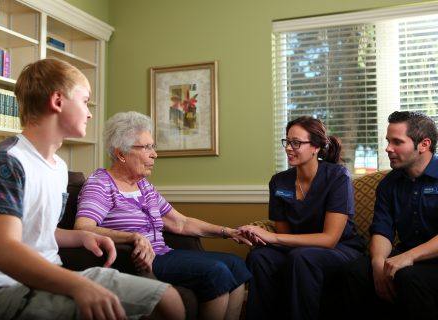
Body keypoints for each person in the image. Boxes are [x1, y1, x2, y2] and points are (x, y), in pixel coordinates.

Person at [0, 59, 184, 320]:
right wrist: (79, 285)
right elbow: (4, 251)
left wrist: (81, 237)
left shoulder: (57, 167)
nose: (89, 113)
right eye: (85, 101)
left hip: (49, 275)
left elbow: (36, 229)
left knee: (168, 299)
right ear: (58, 101)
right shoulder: (4, 162)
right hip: (0, 290)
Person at [74, 111, 252, 320]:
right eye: (147, 147)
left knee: (236, 265)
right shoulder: (101, 183)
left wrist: (227, 232)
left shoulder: (144, 186)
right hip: (136, 260)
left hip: (163, 253)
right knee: (216, 271)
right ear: (121, 153)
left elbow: (180, 222)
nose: (154, 154)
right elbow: (83, 227)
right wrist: (132, 237)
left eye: (153, 146)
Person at [239, 116, 364, 320]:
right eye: (287, 142)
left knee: (302, 257)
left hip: (341, 248)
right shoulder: (279, 182)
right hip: (298, 248)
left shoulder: (337, 177)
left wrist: (273, 238)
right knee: (259, 257)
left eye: (296, 143)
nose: (289, 147)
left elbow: (329, 239)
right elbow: (284, 232)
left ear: (315, 147)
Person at [341, 111, 438, 320]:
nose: (388, 148)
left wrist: (409, 257)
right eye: (387, 141)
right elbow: (382, 229)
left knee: (407, 276)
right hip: (405, 256)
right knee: (357, 270)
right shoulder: (389, 183)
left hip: (430, 260)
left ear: (424, 144)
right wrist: (377, 263)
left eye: (397, 142)